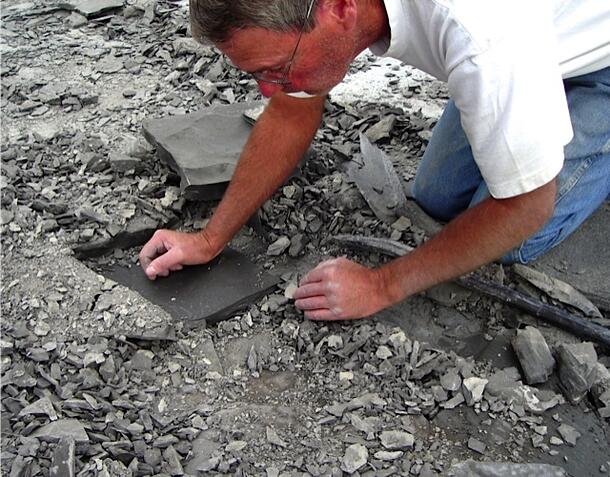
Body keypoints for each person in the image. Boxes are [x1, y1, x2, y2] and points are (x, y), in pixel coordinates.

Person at [139, 0, 610, 321]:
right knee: (437, 200)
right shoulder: (316, 13)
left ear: (340, 7)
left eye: (276, 70)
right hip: (533, 41)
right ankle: (527, 104)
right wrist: (209, 237)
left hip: (597, 59)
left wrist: (381, 286)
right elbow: (290, 110)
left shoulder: (481, 38)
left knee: (512, 236)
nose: (267, 90)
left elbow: (527, 205)